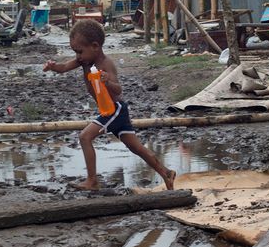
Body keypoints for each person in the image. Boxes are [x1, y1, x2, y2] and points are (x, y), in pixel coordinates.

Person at [44, 19, 177, 190]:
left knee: (85, 137)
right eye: (75, 52)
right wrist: (52, 67)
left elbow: (118, 89)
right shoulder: (84, 61)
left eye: (79, 51)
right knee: (137, 148)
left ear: (95, 46)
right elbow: (63, 67)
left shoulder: (105, 64)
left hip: (114, 109)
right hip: (112, 111)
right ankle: (166, 173)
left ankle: (92, 181)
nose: (77, 56)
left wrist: (107, 81)